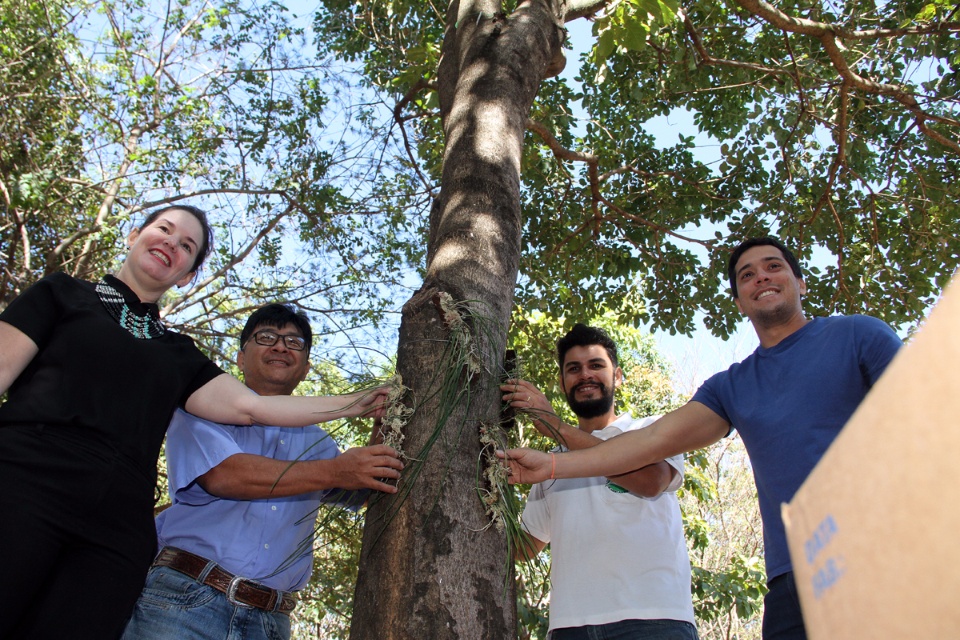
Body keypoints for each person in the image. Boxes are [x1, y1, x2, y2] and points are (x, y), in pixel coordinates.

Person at [0, 205, 401, 639]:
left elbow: (257, 409)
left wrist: (367, 403)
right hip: (26, 488)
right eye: (164, 230)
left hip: (114, 534)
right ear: (135, 235)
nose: (172, 243)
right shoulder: (62, 294)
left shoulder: (178, 354)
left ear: (187, 274)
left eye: (187, 245)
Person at [501, 236, 903, 640]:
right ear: (739, 302)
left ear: (801, 283)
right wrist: (547, 463)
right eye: (747, 275)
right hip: (792, 582)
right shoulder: (731, 387)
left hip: (883, 553)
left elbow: (926, 414)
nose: (760, 276)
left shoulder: (859, 335)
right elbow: (655, 441)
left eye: (773, 266)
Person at [121, 302, 393, 639]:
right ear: (240, 357)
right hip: (184, 602)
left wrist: (385, 418)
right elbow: (225, 475)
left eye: (294, 343)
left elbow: (365, 490)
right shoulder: (203, 408)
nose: (280, 346)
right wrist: (335, 470)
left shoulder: (320, 445)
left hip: (270, 621)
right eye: (266, 337)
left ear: (305, 368)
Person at [502, 324, 698, 640]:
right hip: (569, 628)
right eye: (574, 369)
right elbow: (524, 547)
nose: (585, 375)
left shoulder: (650, 430)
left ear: (617, 376)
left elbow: (651, 481)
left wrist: (557, 428)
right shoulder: (551, 463)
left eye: (596, 365)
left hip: (653, 621)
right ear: (562, 383)